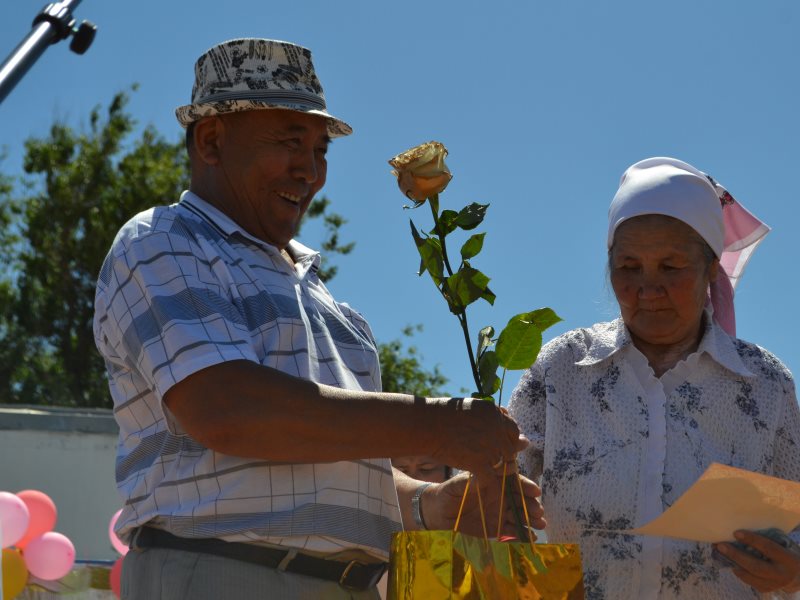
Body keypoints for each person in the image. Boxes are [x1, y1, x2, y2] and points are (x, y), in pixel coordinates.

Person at [93, 38, 543, 599]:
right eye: (289, 142)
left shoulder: (323, 297)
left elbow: (325, 464)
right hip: (225, 577)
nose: (310, 170)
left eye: (321, 150)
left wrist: (433, 505)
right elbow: (226, 409)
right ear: (211, 141)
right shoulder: (165, 242)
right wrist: (442, 424)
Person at [508, 157, 800, 599]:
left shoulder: (765, 385)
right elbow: (497, 506)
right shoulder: (561, 369)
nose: (648, 288)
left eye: (671, 266)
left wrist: (793, 574)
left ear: (709, 270)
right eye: (628, 266)